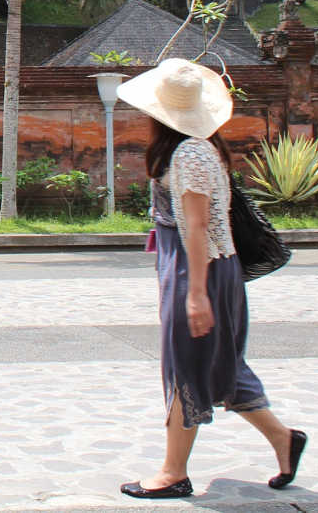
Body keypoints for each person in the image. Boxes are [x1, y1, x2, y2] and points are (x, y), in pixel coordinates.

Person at [115, 57, 306, 500]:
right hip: (197, 269)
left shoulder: (191, 153)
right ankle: (283, 439)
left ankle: (173, 472)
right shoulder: (193, 148)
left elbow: (198, 227)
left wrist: (196, 295)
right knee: (219, 365)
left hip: (199, 271)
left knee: (187, 364)